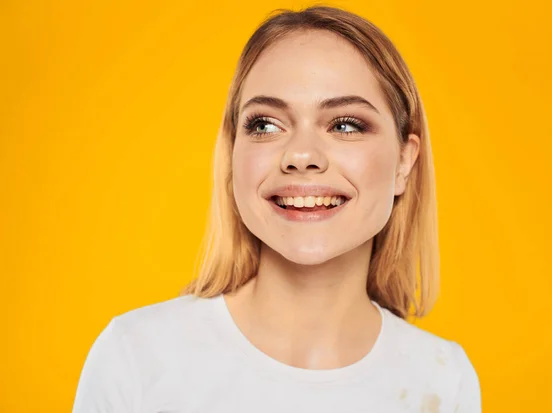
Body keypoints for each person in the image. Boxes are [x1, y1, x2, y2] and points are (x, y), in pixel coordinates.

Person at [72, 5, 481, 413]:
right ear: (233, 154)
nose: (301, 155)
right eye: (265, 125)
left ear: (404, 163)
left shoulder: (444, 381)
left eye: (344, 125)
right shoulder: (135, 360)